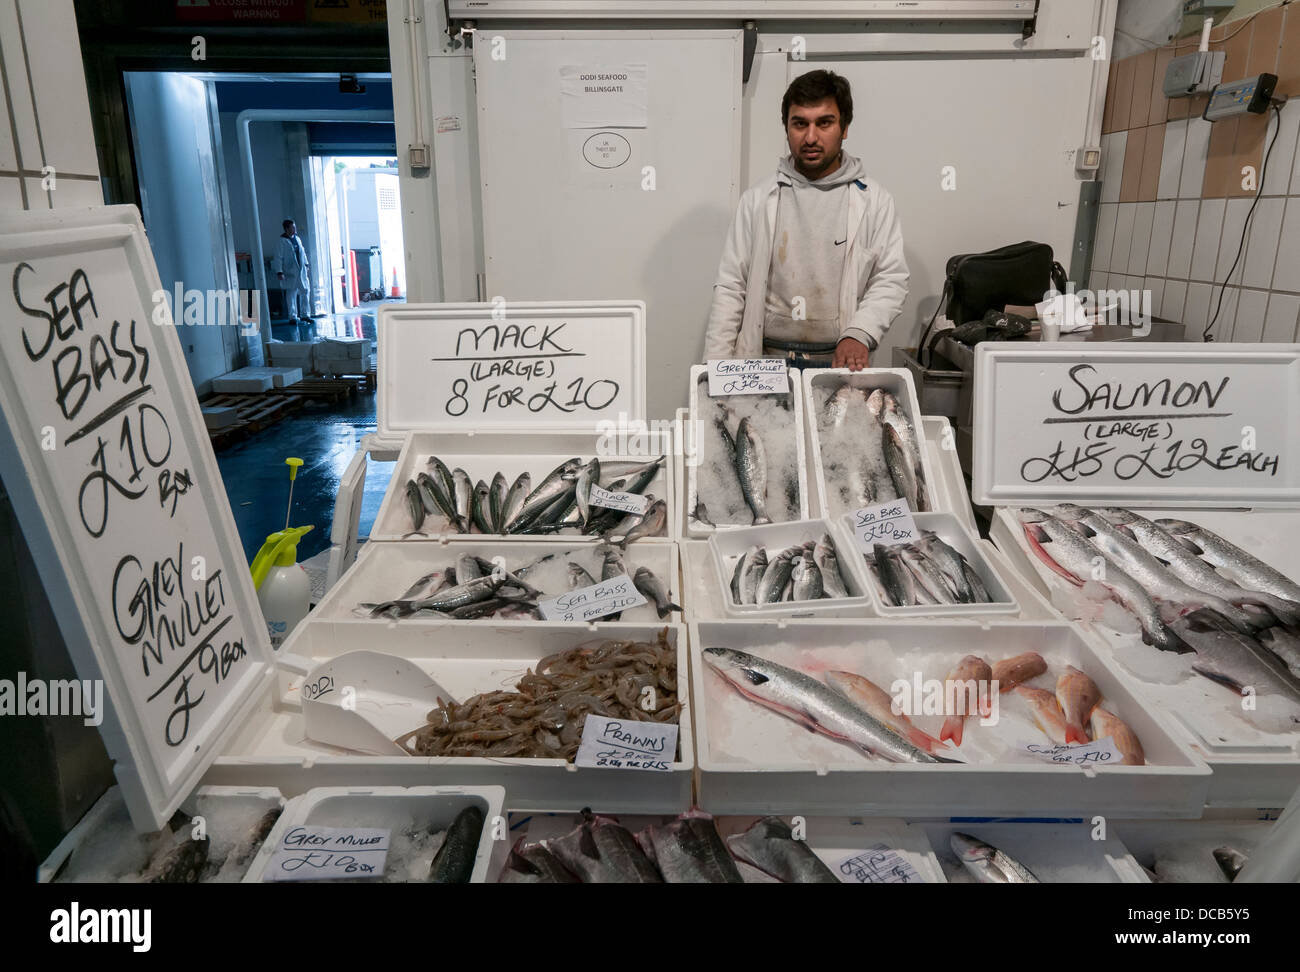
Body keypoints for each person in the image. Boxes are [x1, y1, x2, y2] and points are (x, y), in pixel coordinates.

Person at [704, 70, 909, 371]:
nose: (811, 137)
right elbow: (731, 287)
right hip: (765, 361)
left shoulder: (875, 201)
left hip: (839, 360)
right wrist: (714, 370)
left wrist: (860, 333)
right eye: (800, 123)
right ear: (786, 127)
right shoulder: (758, 199)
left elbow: (890, 279)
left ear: (845, 127)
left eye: (824, 123)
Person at [273, 218, 311, 325]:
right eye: (292, 227)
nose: (294, 229)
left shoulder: (297, 239)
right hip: (290, 273)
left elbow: (302, 253)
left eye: (294, 227)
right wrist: (279, 272)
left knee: (305, 291)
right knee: (291, 294)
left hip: (301, 271)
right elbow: (278, 257)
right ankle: (292, 317)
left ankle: (305, 315)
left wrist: (306, 264)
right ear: (286, 229)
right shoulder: (282, 242)